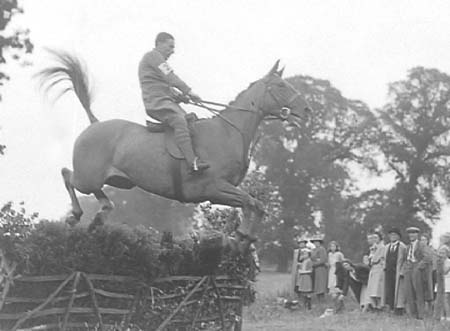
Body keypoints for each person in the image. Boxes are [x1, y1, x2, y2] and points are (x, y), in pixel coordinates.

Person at [138, 32, 210, 173]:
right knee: (180, 121)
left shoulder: (155, 60)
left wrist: (181, 97)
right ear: (159, 43)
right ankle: (192, 163)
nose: (172, 51)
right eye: (170, 47)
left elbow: (165, 86)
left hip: (166, 101)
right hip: (157, 103)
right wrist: (188, 91)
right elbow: (170, 77)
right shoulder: (153, 57)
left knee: (191, 120)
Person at [403, 226, 432, 319]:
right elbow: (405, 258)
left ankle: (421, 315)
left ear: (417, 234)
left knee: (419, 292)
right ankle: (413, 314)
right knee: (409, 292)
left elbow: (427, 257)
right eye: (410, 233)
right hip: (408, 269)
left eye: (414, 233)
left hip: (417, 269)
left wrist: (419, 266)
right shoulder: (408, 247)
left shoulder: (421, 245)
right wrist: (406, 267)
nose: (411, 235)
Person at [384, 227, 407, 314]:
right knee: (389, 289)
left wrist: (402, 271)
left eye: (394, 235)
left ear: (398, 236)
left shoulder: (402, 247)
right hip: (388, 271)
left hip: (398, 272)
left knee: (398, 290)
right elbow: (384, 259)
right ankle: (390, 307)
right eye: (391, 235)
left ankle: (399, 308)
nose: (392, 236)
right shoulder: (387, 247)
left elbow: (405, 260)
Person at [366, 232, 385, 310]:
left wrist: (373, 259)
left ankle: (379, 305)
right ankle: (374, 305)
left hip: (379, 268)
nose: (374, 239)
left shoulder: (382, 247)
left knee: (378, 288)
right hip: (373, 268)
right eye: (373, 238)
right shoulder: (373, 247)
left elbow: (378, 258)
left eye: (376, 237)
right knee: (372, 288)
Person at [433, 232, 450, 321]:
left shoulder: (448, 262)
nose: (441, 254)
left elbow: (445, 271)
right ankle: (441, 315)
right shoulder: (439, 262)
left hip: (447, 281)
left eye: (443, 253)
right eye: (440, 253)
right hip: (440, 281)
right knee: (440, 298)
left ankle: (448, 316)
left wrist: (441, 263)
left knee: (446, 299)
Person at [311, 235, 328, 303]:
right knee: (317, 285)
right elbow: (312, 259)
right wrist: (315, 261)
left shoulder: (322, 249)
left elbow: (323, 260)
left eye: (317, 242)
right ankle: (319, 302)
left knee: (321, 285)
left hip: (321, 268)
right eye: (315, 242)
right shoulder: (313, 250)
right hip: (315, 269)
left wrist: (314, 263)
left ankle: (322, 301)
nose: (316, 243)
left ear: (320, 242)